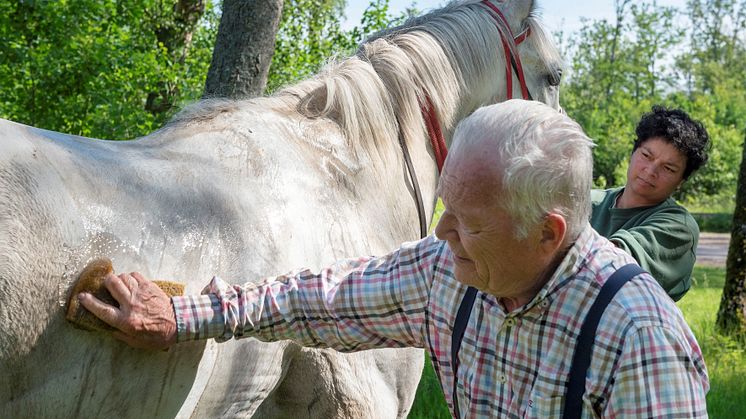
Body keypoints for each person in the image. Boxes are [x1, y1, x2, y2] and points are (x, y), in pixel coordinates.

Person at [79, 100, 709, 417]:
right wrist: (182, 314)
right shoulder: (447, 271)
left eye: (468, 221)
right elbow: (312, 301)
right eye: (445, 207)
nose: (442, 233)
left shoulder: (639, 341)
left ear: (547, 233)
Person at [590, 106, 710, 301]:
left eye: (668, 168)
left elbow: (608, 265)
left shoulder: (679, 228)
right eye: (646, 156)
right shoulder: (584, 201)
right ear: (633, 153)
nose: (651, 171)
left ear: (680, 182)